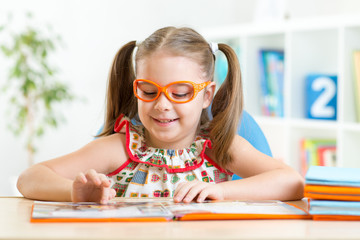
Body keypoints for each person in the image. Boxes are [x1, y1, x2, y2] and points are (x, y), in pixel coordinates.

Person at [17, 26, 304, 204]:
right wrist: (74, 193)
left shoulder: (220, 147)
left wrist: (222, 192)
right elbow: (30, 178)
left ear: (207, 95)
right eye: (149, 91)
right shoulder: (119, 148)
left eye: (179, 93)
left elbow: (292, 182)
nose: (162, 105)